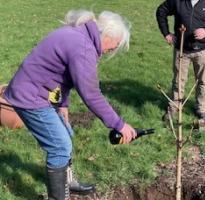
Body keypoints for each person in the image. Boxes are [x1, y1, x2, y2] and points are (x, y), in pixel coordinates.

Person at [4, 9, 136, 200]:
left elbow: (62, 75)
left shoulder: (79, 34)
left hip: (38, 91)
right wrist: (119, 124)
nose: (113, 49)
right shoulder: (83, 47)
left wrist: (63, 104)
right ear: (107, 35)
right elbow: (91, 94)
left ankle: (68, 182)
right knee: (59, 146)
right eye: (115, 45)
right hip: (31, 96)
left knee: (65, 133)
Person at [156, 0, 205, 120]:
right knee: (178, 81)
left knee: (203, 82)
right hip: (182, 49)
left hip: (203, 50)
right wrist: (166, 33)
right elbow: (161, 11)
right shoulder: (178, 1)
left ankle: (201, 109)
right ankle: (174, 107)